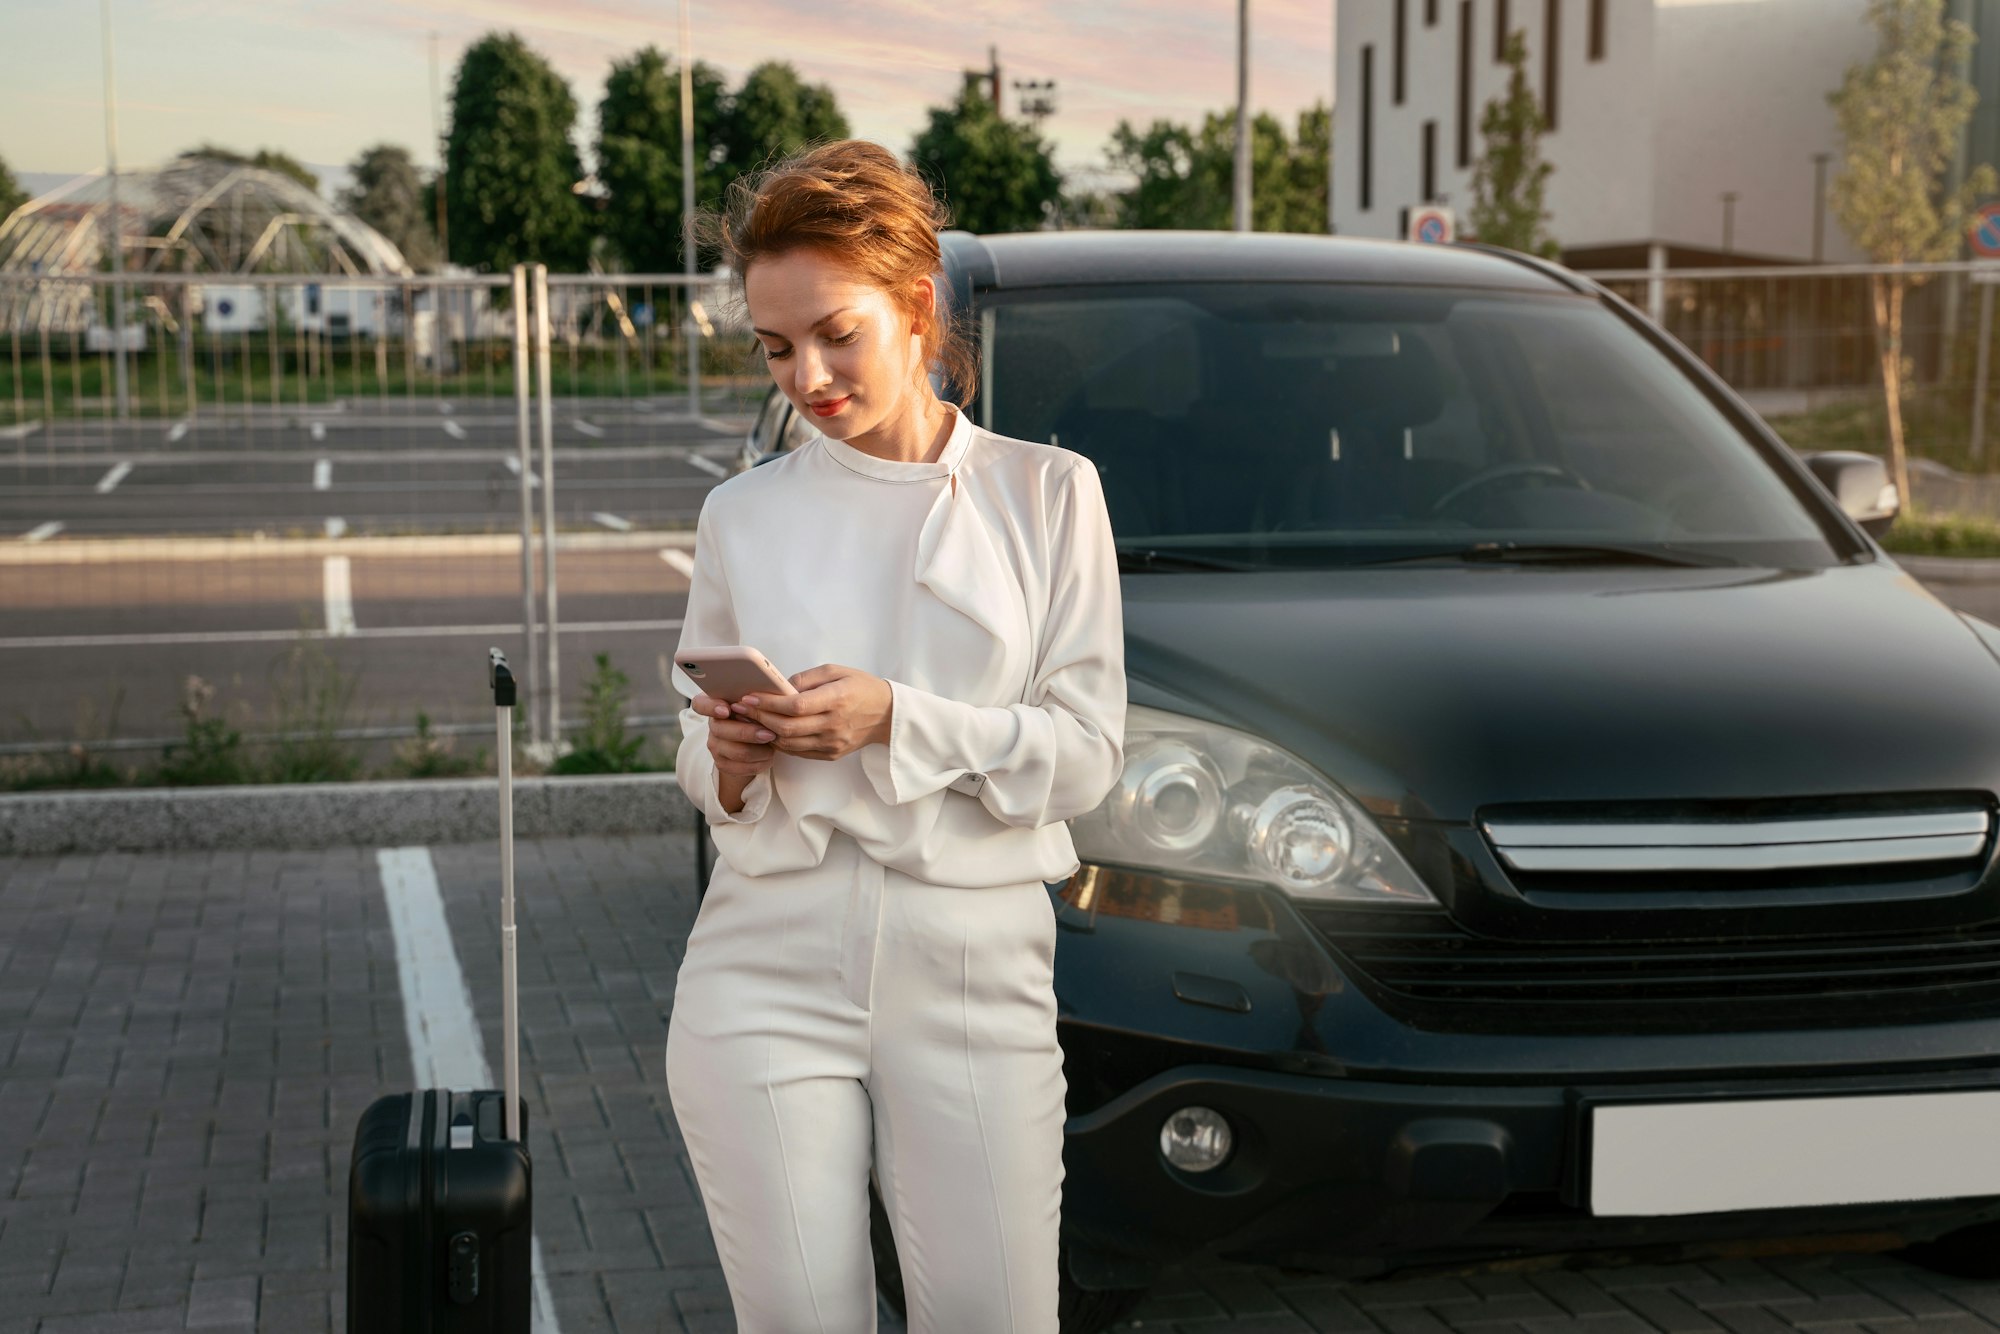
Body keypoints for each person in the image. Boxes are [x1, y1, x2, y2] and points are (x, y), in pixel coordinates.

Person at [662, 139, 1128, 1334]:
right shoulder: (741, 513)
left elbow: (1084, 755)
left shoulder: (1048, 494)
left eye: (834, 333)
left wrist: (893, 716)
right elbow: (689, 744)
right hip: (761, 957)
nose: (804, 374)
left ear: (917, 308)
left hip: (972, 964)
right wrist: (724, 757)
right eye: (773, 346)